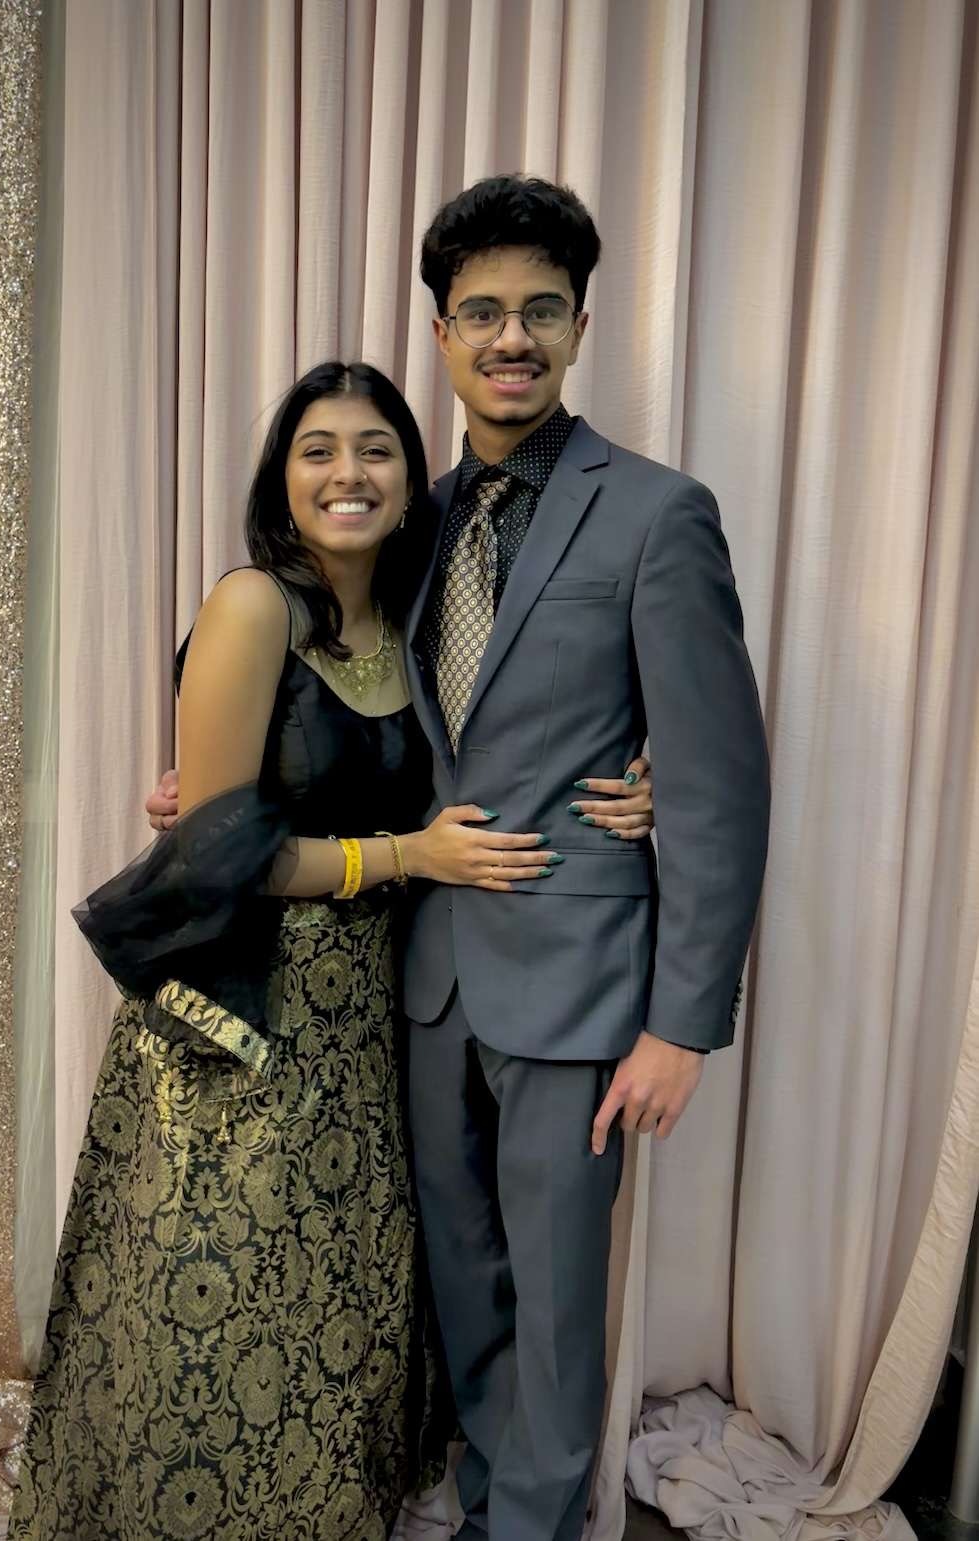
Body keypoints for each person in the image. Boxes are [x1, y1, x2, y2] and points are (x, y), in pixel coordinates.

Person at [147, 175, 770, 1541]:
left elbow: (721, 780)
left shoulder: (658, 512)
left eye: (539, 310)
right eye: (481, 311)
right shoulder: (411, 517)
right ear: (441, 335)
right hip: (424, 977)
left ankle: (536, 1525)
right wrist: (217, 790)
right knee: (463, 1282)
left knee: (552, 1295)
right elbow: (357, 698)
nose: (510, 337)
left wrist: (681, 1022)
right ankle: (490, 1499)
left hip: (579, 976)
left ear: (579, 327)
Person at [10, 359, 654, 1541]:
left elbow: (528, 721)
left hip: (367, 1011)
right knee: (210, 1282)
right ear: (282, 478)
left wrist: (644, 768)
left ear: (412, 484)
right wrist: (409, 852)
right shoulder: (255, 604)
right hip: (242, 1006)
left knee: (332, 1291)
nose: (347, 472)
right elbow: (222, 852)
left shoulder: (414, 618)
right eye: (318, 449)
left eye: (375, 449)